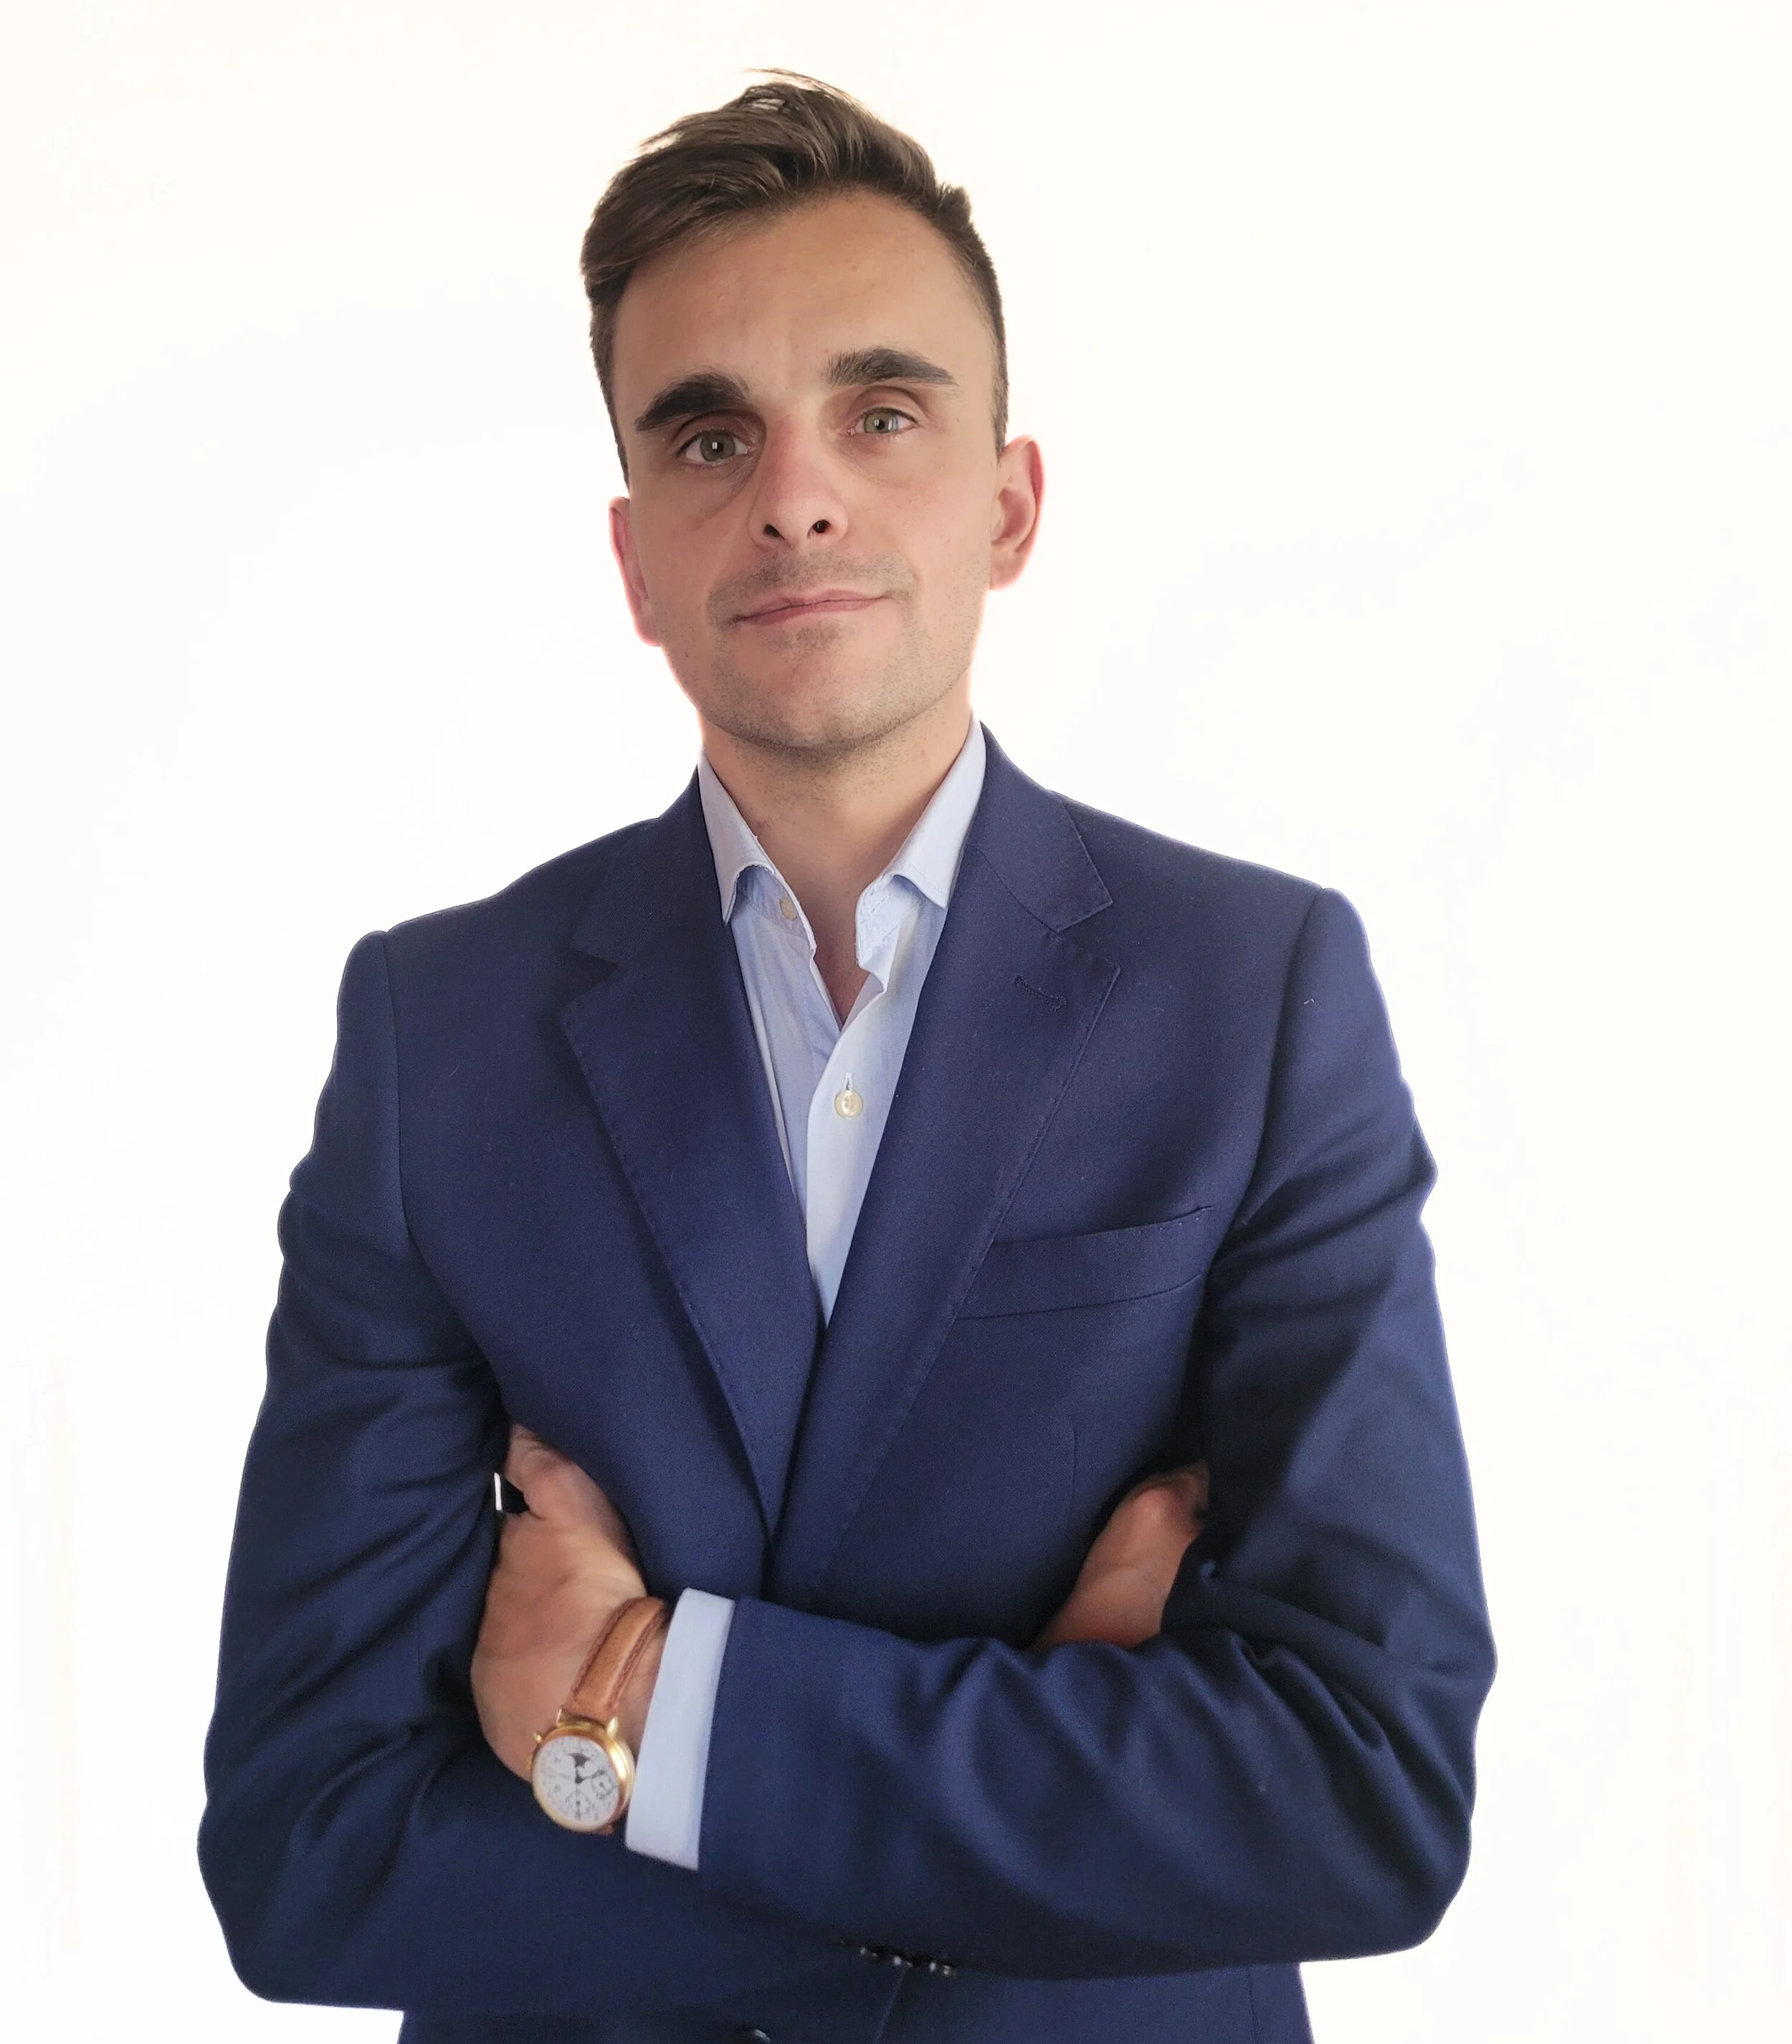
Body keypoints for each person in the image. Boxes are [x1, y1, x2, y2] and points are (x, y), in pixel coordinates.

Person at [199, 73, 1495, 2044]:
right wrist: (1020, 1851)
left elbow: (1360, 1787)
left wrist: (644, 1721)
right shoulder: (437, 1034)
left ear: (1008, 503)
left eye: (880, 413)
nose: (794, 494)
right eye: (709, 436)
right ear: (635, 560)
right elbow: (311, 1858)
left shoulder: (1255, 996)